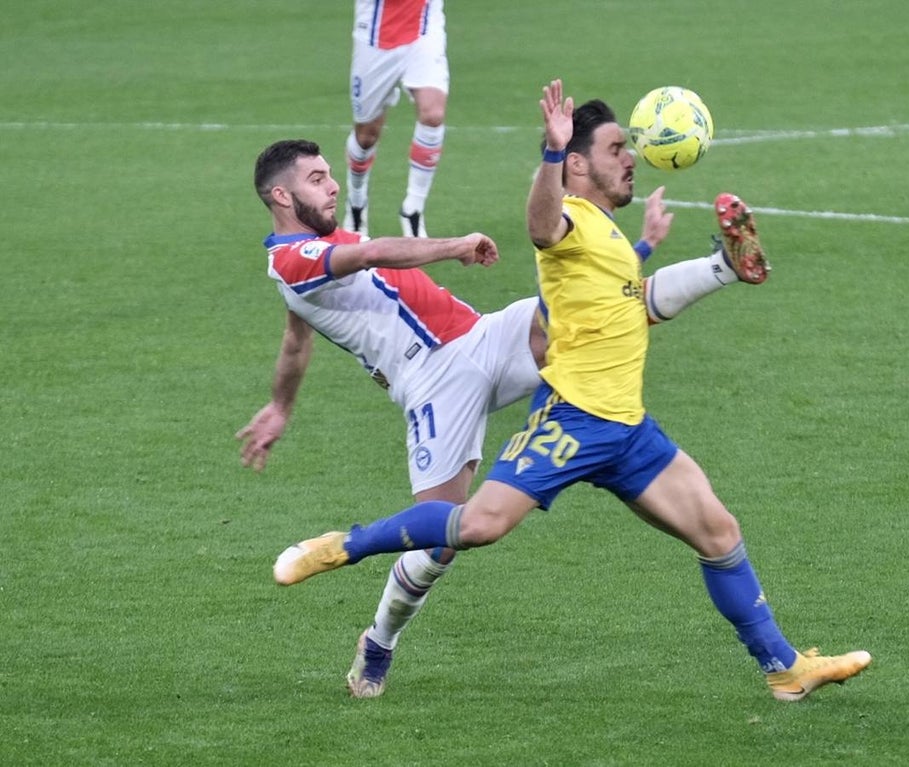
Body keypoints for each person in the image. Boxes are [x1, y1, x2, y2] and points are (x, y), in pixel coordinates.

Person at [273, 82, 872, 702]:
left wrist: (722, 267)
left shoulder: (610, 235)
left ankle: (784, 669)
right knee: (473, 528)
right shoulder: (571, 218)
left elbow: (635, 304)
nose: (631, 155)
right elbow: (539, 226)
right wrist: (551, 157)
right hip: (566, 416)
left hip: (622, 423)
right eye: (618, 147)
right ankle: (348, 545)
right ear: (580, 163)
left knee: (719, 532)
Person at [343, 0, 450, 237]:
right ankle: (356, 202)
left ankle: (413, 208)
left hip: (423, 32)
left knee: (433, 115)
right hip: (374, 39)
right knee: (366, 136)